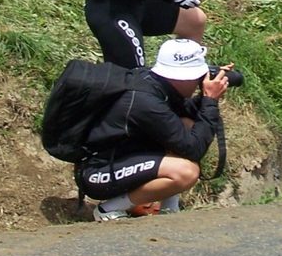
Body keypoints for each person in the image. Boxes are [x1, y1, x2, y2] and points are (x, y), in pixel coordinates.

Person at [79, 38, 231, 220]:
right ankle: (108, 209)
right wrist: (210, 101)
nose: (200, 79)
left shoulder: (155, 83)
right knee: (186, 172)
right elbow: (194, 149)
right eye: (197, 75)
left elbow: (184, 115)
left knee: (186, 123)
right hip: (97, 174)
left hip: (120, 160)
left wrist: (205, 99)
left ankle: (169, 210)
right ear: (183, 76)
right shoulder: (146, 101)